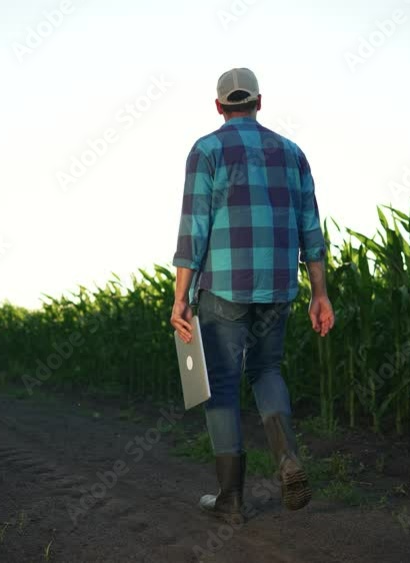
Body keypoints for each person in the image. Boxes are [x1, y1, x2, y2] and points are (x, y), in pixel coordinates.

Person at [170, 67, 335, 524]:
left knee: (222, 385)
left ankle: (231, 500)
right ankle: (288, 460)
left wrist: (180, 297)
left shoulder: (206, 150)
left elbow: (193, 228)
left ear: (219, 106)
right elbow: (310, 227)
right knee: (266, 369)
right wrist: (320, 293)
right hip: (278, 286)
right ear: (259, 102)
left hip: (223, 286)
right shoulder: (292, 153)